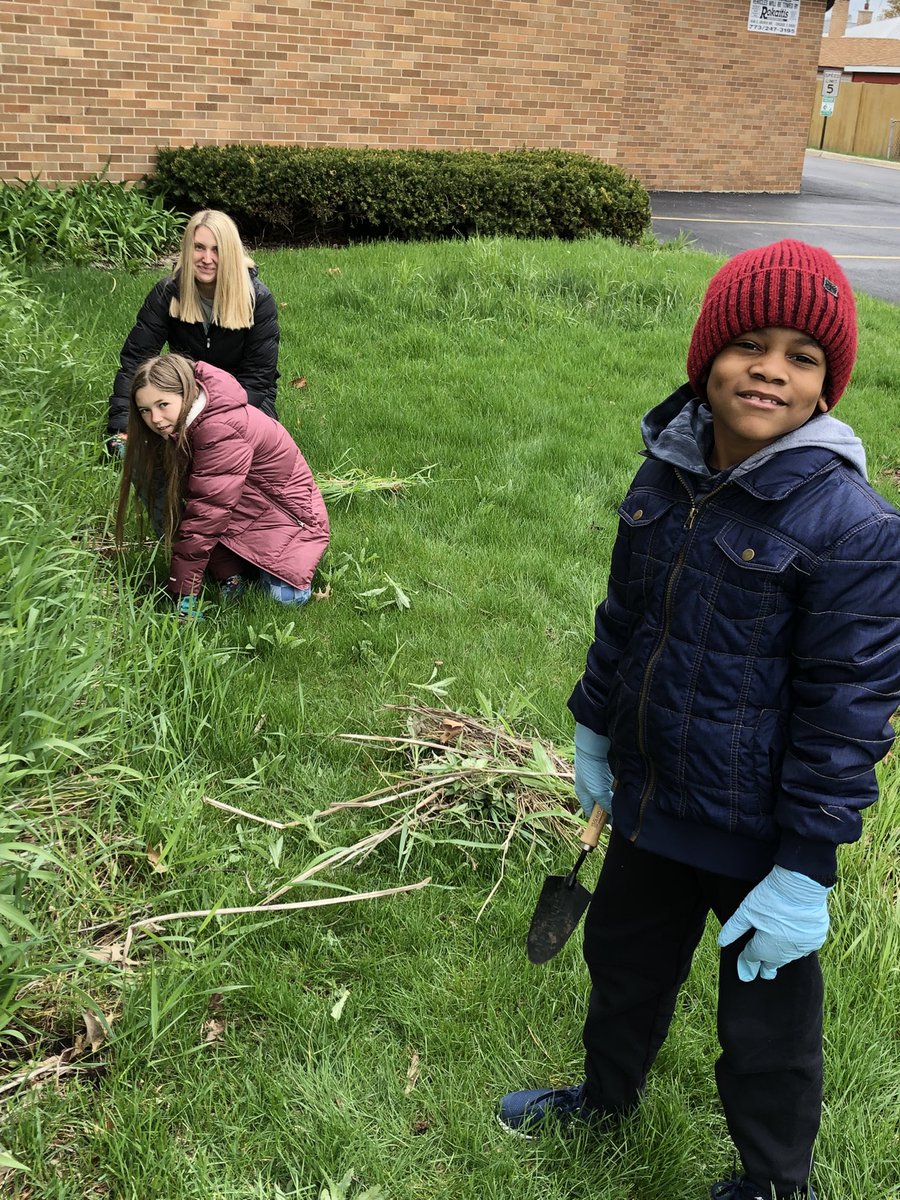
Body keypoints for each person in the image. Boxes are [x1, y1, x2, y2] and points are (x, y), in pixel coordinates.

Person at [498, 241, 900, 1200]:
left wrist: (805, 866)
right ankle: (604, 1098)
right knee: (623, 964)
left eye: (802, 357)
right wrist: (596, 732)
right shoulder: (665, 476)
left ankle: (774, 1179)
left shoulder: (854, 529)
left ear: (827, 386)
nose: (770, 369)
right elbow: (624, 618)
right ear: (705, 357)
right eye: (749, 345)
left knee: (766, 1022)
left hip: (760, 837)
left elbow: (848, 712)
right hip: (650, 799)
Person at [115, 354, 329, 617]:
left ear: (188, 393)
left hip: (289, 522)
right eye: (145, 410)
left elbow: (208, 513)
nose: (155, 418)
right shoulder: (178, 425)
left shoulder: (219, 429)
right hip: (242, 514)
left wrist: (184, 593)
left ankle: (249, 568)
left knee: (285, 600)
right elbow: (202, 504)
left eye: (163, 404)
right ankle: (232, 572)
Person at [106, 209, 280, 457]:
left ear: (229, 253)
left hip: (244, 398)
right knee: (152, 447)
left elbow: (258, 379)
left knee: (234, 450)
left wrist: (209, 420)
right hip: (187, 390)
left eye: (216, 249)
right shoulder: (168, 292)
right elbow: (136, 359)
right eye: (199, 247)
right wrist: (122, 426)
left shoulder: (258, 299)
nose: (206, 258)